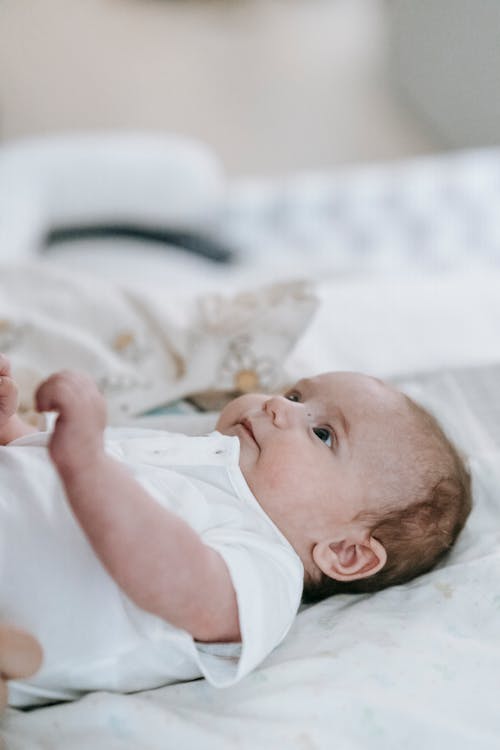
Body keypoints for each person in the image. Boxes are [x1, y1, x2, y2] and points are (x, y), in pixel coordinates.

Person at [0, 352, 471, 707]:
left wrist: (85, 462)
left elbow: (179, 581)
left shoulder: (265, 562)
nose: (278, 409)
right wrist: (13, 428)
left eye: (323, 434)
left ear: (345, 552)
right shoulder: (186, 451)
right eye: (295, 395)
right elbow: (42, 471)